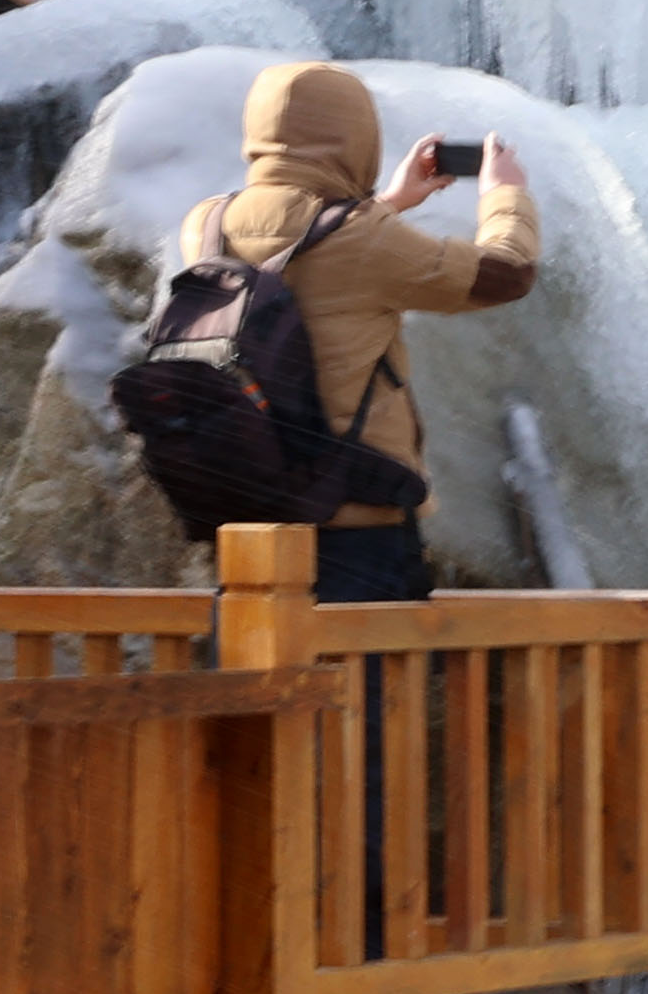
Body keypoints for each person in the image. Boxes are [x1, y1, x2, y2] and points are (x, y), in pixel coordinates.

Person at [181, 59, 541, 604]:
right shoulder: (363, 240)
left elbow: (307, 254)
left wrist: (389, 204)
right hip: (352, 515)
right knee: (359, 683)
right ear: (355, 138)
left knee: (260, 678)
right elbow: (506, 275)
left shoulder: (206, 223)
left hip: (249, 518)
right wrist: (504, 195)